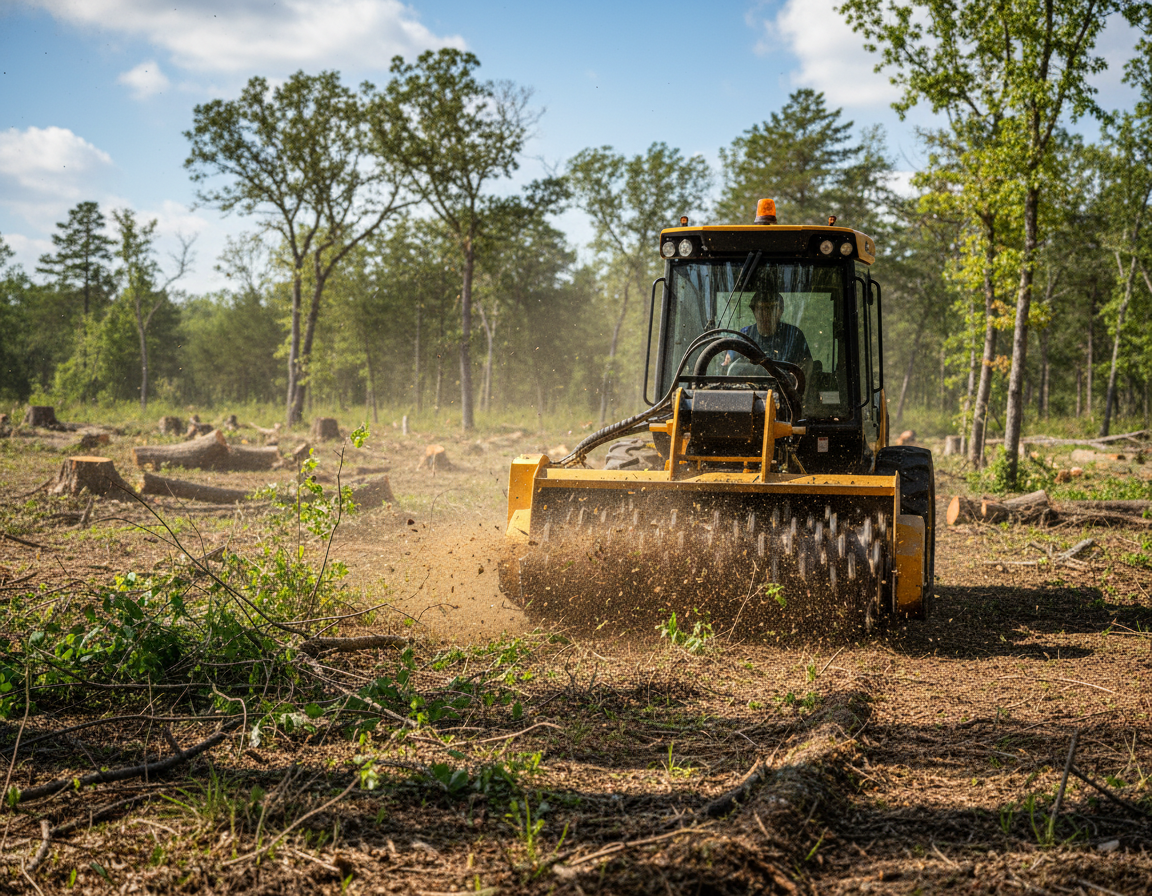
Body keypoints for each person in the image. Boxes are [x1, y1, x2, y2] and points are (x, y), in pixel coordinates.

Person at [725, 291, 812, 375]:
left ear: (780, 311)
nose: (765, 314)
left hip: (785, 388)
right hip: (749, 388)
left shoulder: (793, 335)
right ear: (754, 311)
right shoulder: (744, 336)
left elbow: (806, 370)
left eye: (771, 308)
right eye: (761, 309)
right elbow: (730, 367)